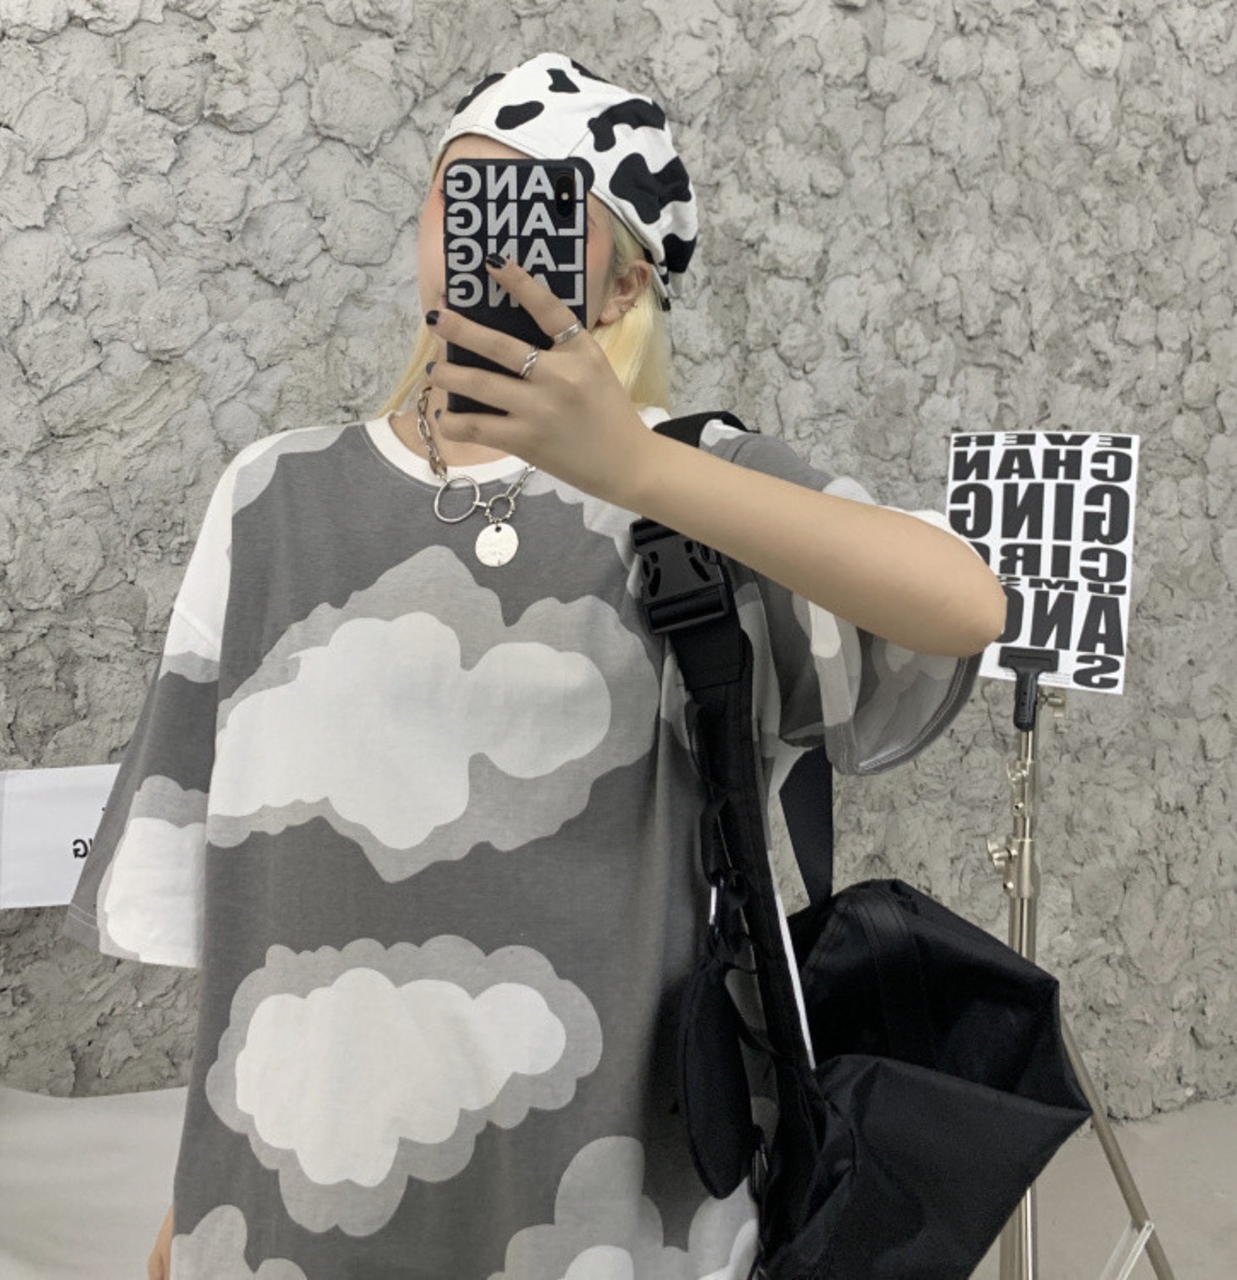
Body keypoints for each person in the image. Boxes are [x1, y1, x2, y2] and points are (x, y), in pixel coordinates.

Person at [62, 52, 1004, 1280]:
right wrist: (188, 1209)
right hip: (291, 1207)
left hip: (611, 1209)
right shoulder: (272, 496)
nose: (482, 237)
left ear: (621, 280)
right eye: (456, 198)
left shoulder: (699, 484)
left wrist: (640, 469)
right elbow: (235, 905)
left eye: (536, 206)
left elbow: (961, 602)